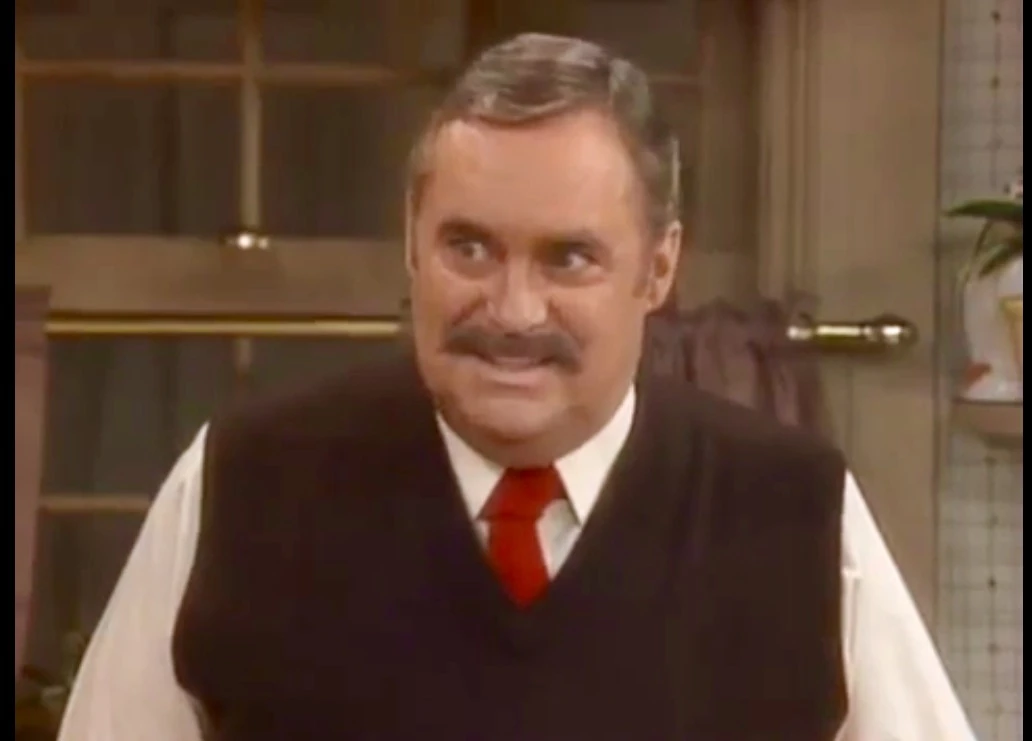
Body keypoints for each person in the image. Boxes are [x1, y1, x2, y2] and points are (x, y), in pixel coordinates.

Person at [58, 34, 975, 741]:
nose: (512, 310)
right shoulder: (240, 483)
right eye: (469, 247)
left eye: (568, 257)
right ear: (411, 239)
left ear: (658, 268)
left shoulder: (794, 511)